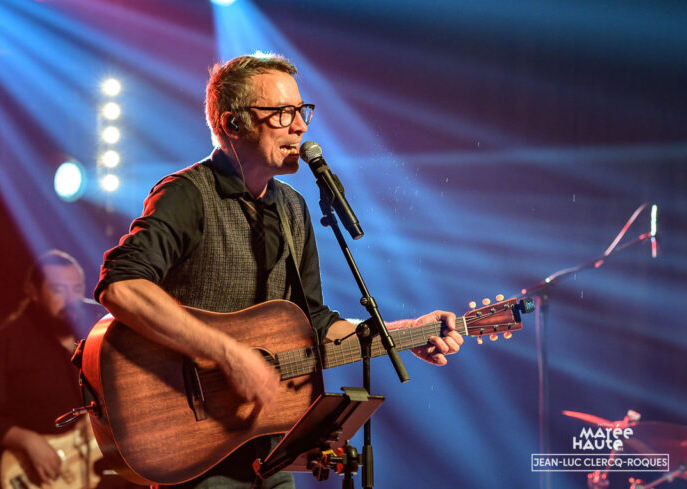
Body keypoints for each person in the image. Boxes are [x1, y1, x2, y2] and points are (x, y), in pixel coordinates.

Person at [95, 53, 464, 489]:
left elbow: (315, 324)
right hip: (191, 447)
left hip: (266, 450)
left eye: (302, 111)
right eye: (283, 113)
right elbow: (120, 285)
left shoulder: (291, 207)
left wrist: (405, 332)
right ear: (234, 124)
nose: (301, 126)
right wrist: (227, 354)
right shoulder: (187, 194)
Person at [0, 250, 108, 486]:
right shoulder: (7, 341)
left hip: (96, 468)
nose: (71, 299)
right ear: (34, 292)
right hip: (35, 472)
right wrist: (27, 441)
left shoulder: (96, 338)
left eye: (77, 289)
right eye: (58, 290)